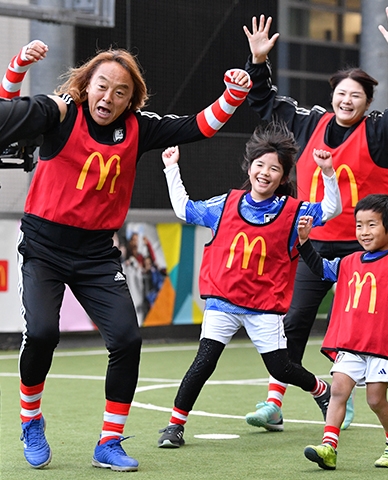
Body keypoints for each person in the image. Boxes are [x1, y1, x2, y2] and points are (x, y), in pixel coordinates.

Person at [4, 40, 252, 471]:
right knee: (42, 334)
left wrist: (234, 93)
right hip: (44, 246)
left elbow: (201, 126)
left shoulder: (140, 127)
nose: (109, 97)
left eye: (121, 91)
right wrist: (18, 64)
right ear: (86, 85)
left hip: (97, 253)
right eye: (102, 86)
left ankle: (110, 441)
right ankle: (30, 420)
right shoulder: (61, 113)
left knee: (127, 340)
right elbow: (9, 112)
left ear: (131, 98)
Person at [243, 3, 388, 430]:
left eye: (356, 96)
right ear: (332, 97)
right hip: (315, 244)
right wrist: (258, 60)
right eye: (341, 93)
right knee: (295, 320)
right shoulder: (307, 124)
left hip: (368, 252)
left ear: (366, 103)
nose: (347, 100)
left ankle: (350, 395)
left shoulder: (378, 131)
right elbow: (264, 102)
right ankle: (274, 401)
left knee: (363, 326)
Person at [156, 122, 342, 448]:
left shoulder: (292, 212)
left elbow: (331, 209)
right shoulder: (226, 204)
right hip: (223, 301)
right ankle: (174, 426)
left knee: (281, 368)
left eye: (274, 169)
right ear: (250, 167)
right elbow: (185, 209)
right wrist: (172, 169)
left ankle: (320, 389)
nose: (265, 172)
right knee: (203, 362)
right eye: (260, 165)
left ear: (284, 178)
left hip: (264, 307)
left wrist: (328, 172)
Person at [298, 194, 388, 470]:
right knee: (339, 390)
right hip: (351, 342)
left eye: (371, 225)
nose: (364, 232)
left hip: (382, 344)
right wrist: (305, 242)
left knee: (376, 399)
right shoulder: (348, 261)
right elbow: (320, 268)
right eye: (359, 225)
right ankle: (328, 446)